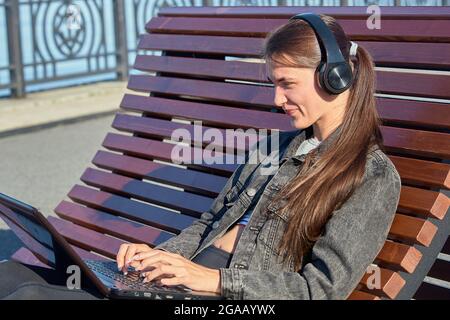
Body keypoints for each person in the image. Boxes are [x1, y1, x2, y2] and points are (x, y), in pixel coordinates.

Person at [0, 13, 401, 300]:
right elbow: (211, 222)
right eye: (273, 84)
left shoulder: (370, 177)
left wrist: (210, 280)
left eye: (286, 84)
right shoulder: (273, 149)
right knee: (9, 275)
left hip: (230, 298)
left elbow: (321, 290)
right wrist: (159, 258)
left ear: (334, 76)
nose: (277, 99)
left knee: (31, 294)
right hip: (187, 285)